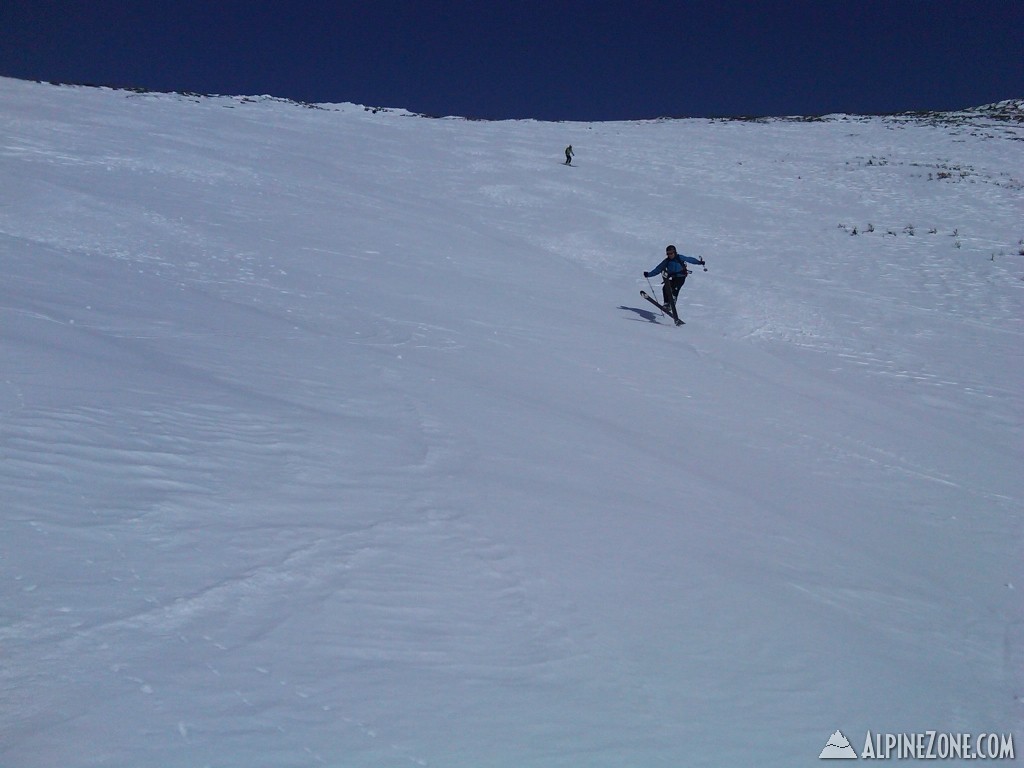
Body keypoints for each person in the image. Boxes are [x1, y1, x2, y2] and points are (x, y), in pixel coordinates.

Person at [643, 244, 705, 319]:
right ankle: (666, 304)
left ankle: (673, 300)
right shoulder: (666, 261)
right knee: (665, 288)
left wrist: (699, 262)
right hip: (673, 278)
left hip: (681, 277)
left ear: (675, 252)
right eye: (668, 253)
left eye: (671, 253)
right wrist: (649, 274)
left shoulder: (680, 258)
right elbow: (658, 269)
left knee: (675, 288)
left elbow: (690, 259)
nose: (670, 255)